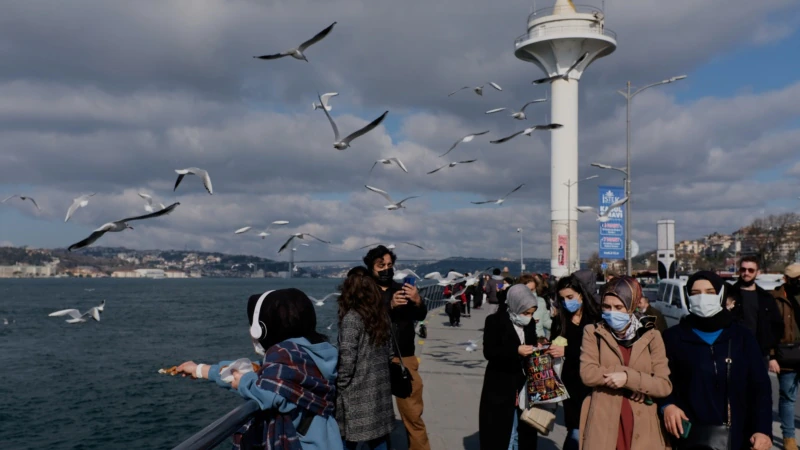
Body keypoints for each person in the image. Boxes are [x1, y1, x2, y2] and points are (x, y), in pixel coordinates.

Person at [175, 289, 343, 450]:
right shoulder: (315, 353)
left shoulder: (283, 354)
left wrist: (243, 382)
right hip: (328, 440)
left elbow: (270, 392)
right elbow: (259, 371)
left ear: (261, 328)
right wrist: (199, 370)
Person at [659, 271, 772, 450]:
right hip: (689, 436)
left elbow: (760, 388)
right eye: (695, 293)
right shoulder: (673, 338)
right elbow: (661, 380)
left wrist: (762, 430)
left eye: (710, 292)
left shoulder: (741, 337)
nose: (702, 298)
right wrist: (668, 405)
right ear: (688, 297)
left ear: (720, 295)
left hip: (738, 436)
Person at [579, 276, 672, 450]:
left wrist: (628, 378)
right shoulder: (593, 332)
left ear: (631, 306)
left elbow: (663, 385)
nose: (611, 312)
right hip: (604, 423)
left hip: (643, 426)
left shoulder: (651, 335)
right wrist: (634, 379)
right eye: (606, 307)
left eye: (618, 307)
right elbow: (588, 374)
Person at [363, 246, 430, 450]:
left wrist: (418, 301)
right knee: (375, 417)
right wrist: (388, 306)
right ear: (371, 267)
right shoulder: (365, 292)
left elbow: (420, 316)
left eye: (390, 265)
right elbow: (362, 320)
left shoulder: (401, 289)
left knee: (413, 414)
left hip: (405, 358)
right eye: (380, 265)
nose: (386, 269)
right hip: (374, 358)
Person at [336, 267, 394, 450]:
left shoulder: (351, 318)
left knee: (348, 439)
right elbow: (390, 352)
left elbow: (347, 361)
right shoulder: (382, 315)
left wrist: (339, 386)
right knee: (379, 439)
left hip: (357, 394)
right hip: (379, 390)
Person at [478, 284, 539, 450]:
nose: (528, 317)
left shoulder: (530, 323)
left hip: (523, 384)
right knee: (501, 431)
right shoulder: (494, 321)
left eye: (531, 313)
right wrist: (516, 350)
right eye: (525, 313)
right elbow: (490, 352)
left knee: (523, 430)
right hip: (500, 384)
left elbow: (532, 342)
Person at [546, 274, 601, 450]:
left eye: (570, 297)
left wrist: (567, 351)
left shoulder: (595, 319)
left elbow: (600, 351)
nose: (566, 302)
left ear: (581, 294)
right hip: (569, 383)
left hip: (593, 384)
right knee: (574, 429)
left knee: (591, 431)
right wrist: (549, 349)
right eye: (562, 299)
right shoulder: (560, 320)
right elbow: (555, 343)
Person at [731, 256, 783, 371]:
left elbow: (775, 327)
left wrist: (772, 355)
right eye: (743, 270)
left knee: (758, 388)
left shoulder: (766, 298)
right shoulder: (729, 294)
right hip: (733, 351)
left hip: (759, 353)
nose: (746, 273)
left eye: (750, 270)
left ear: (757, 273)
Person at [771, 263, 800, 450]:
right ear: (786, 279)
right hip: (786, 355)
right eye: (796, 279)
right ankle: (789, 438)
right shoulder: (775, 299)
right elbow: (769, 330)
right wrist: (771, 356)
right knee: (788, 398)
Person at [519, 274, 552, 341]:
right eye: (527, 290)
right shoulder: (515, 303)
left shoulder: (541, 301)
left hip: (540, 339)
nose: (530, 292)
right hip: (523, 340)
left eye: (532, 290)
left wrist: (560, 326)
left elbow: (546, 321)